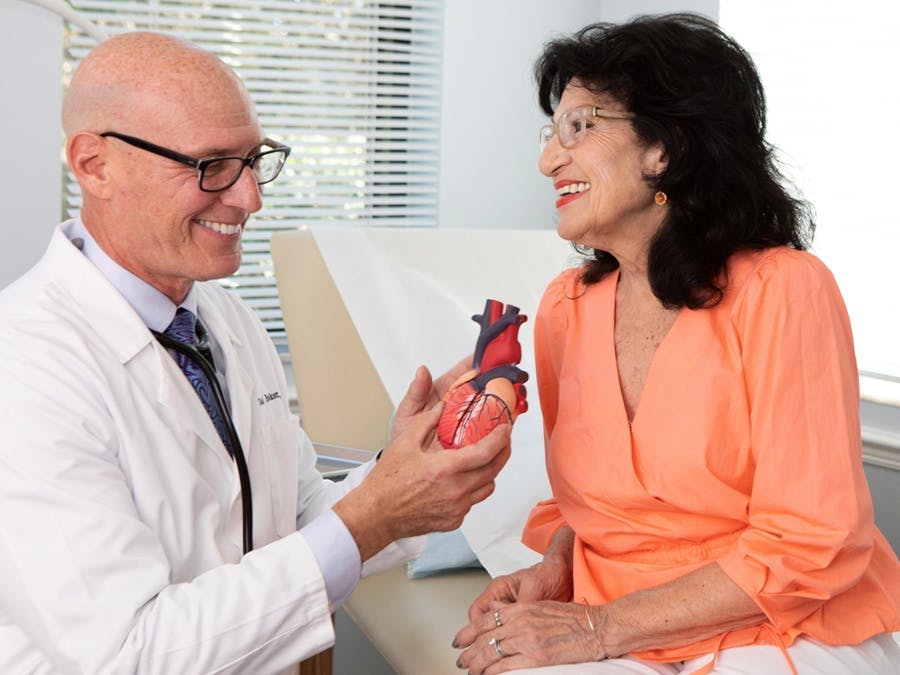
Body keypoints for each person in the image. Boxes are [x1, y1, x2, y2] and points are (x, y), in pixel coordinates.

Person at [0, 32, 512, 673]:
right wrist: (375, 513)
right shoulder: (22, 367)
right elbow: (126, 655)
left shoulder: (226, 319)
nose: (250, 198)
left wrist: (409, 473)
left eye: (254, 159)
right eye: (210, 165)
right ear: (95, 165)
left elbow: (291, 520)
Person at [454, 13, 899, 675]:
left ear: (662, 147)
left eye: (578, 126)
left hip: (783, 622)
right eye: (551, 132)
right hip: (620, 615)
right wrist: (557, 568)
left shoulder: (784, 290)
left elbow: (810, 546)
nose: (548, 158)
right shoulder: (565, 308)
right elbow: (601, 507)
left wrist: (597, 626)